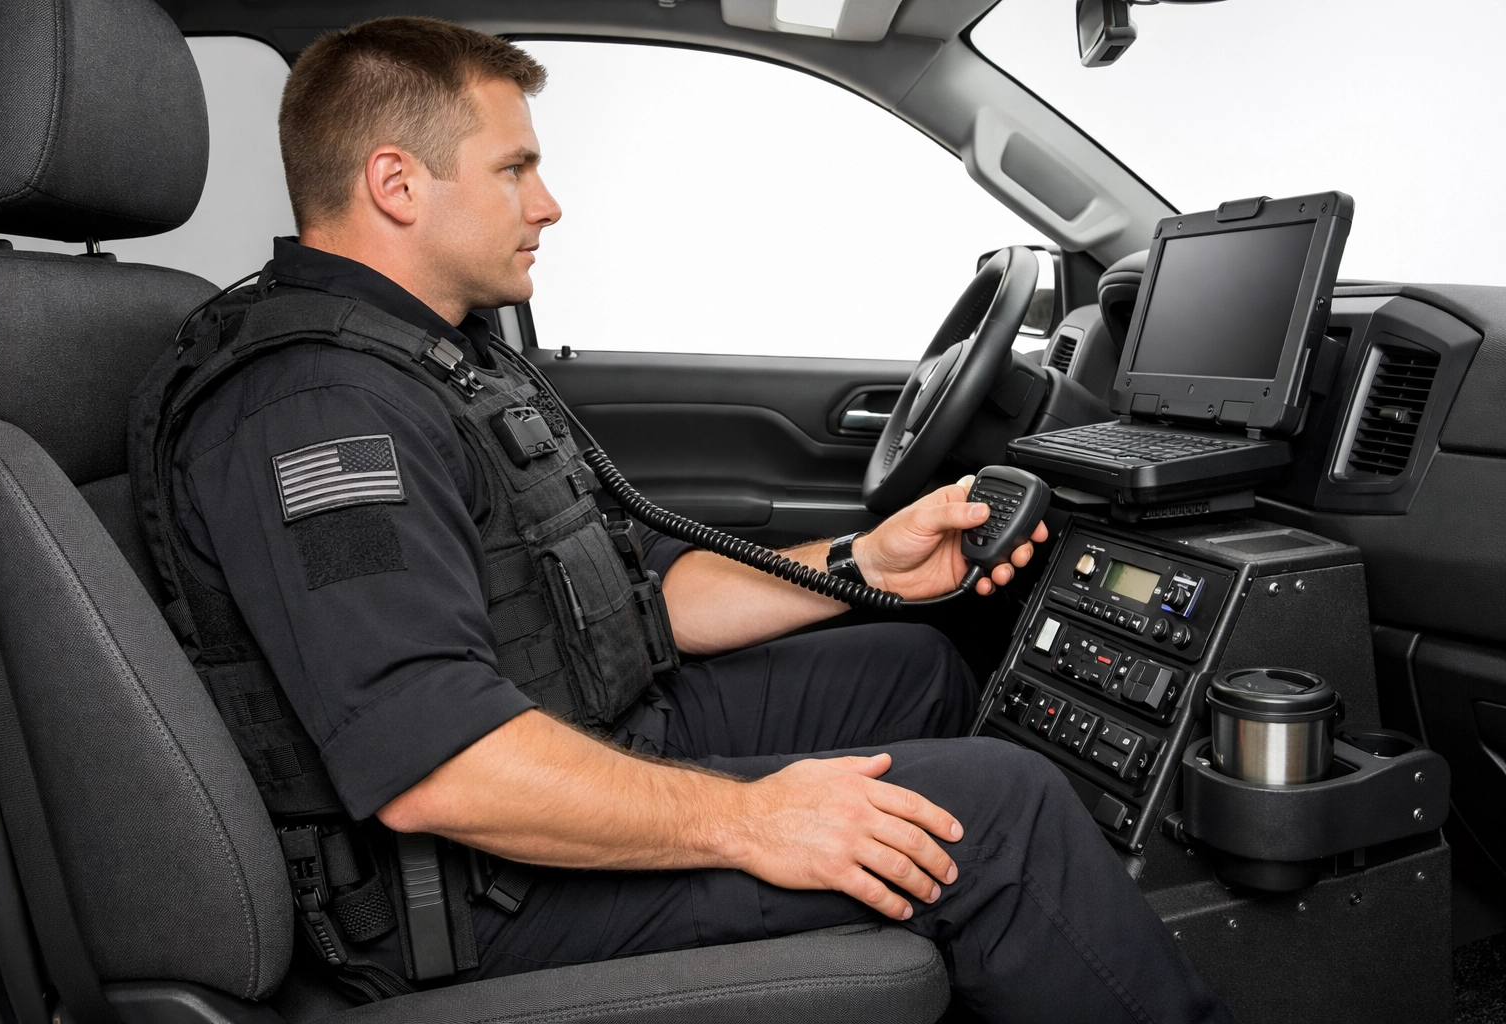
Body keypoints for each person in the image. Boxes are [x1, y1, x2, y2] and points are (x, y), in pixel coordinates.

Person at [140, 16, 1231, 1022]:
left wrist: (868, 564)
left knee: (921, 663)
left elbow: (635, 597)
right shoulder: (317, 410)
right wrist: (755, 818)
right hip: (465, 902)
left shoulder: (438, 357)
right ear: (396, 184)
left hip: (580, 740)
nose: (548, 201)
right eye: (514, 168)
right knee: (1001, 814)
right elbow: (441, 766)